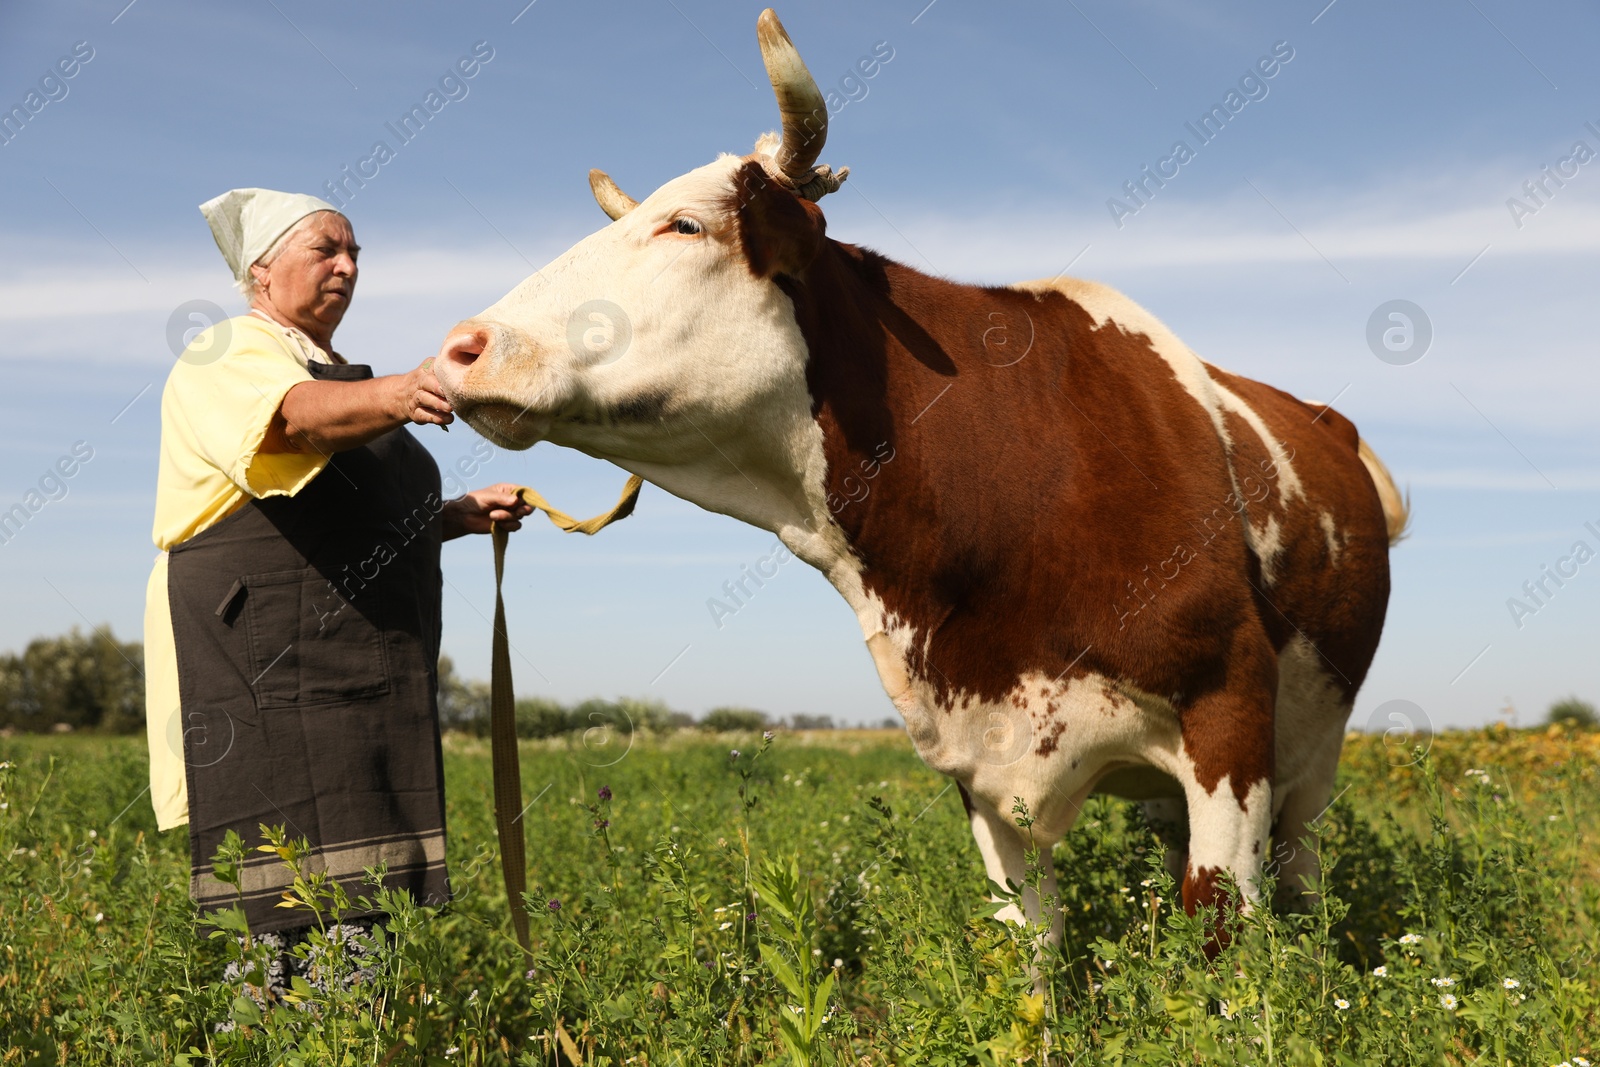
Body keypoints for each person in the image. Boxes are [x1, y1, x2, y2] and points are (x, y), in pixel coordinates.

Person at [143, 187, 531, 1003]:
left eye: (355, 253)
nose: (348, 267)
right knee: (281, 921)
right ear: (262, 269)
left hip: (357, 681)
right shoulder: (230, 354)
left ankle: (344, 1045)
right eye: (327, 249)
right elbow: (289, 425)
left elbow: (345, 524)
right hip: (269, 680)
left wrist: (454, 516)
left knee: (363, 916)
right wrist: (402, 389)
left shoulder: (332, 373)